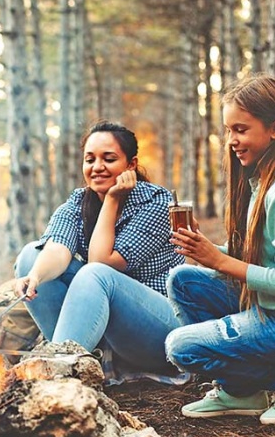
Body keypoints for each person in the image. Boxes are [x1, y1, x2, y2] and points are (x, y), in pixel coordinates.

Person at [165, 74, 275, 425]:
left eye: (241, 130)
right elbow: (261, 257)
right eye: (229, 130)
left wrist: (221, 261)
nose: (231, 140)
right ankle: (243, 391)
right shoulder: (262, 182)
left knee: (179, 347)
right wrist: (207, 251)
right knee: (182, 280)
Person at [14, 120, 185, 377]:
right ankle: (77, 360)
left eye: (109, 159)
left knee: (94, 274)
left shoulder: (157, 203)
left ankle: (59, 374)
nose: (97, 167)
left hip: (160, 332)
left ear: (131, 165)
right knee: (31, 256)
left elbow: (100, 261)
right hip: (110, 337)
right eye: (90, 159)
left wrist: (113, 199)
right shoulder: (78, 202)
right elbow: (58, 247)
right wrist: (35, 276)